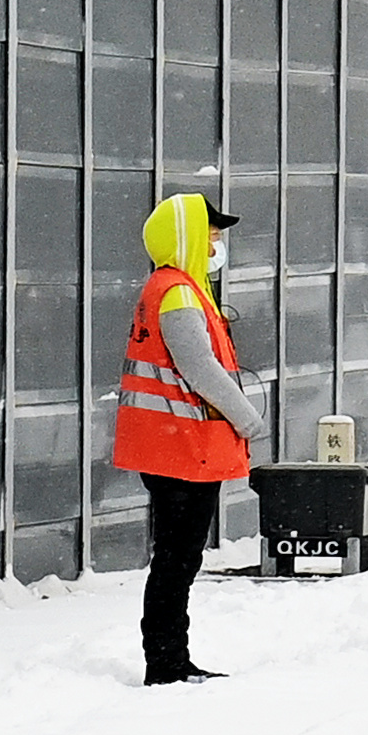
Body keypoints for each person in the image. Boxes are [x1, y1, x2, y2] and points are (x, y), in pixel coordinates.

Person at [111, 193, 267, 685]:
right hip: (179, 447)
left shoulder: (175, 288)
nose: (217, 243)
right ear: (187, 239)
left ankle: (170, 658)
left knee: (177, 557)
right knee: (177, 560)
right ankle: (166, 662)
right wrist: (248, 418)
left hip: (172, 444)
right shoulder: (178, 294)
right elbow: (200, 369)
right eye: (211, 234)